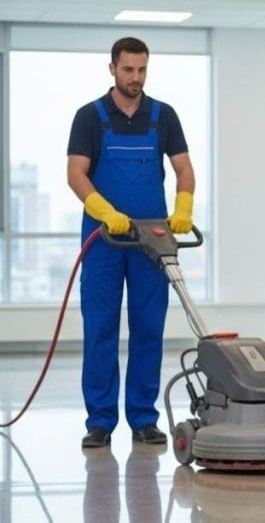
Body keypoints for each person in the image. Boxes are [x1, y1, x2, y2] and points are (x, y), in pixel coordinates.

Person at [67, 37, 195, 449]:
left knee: (148, 329)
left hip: (150, 242)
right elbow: (76, 174)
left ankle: (143, 418)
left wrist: (183, 207)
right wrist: (105, 211)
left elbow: (184, 169)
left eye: (141, 70)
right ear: (112, 69)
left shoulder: (163, 115)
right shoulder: (89, 117)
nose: (135, 78)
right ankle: (100, 421)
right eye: (128, 70)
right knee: (100, 329)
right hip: (103, 239)